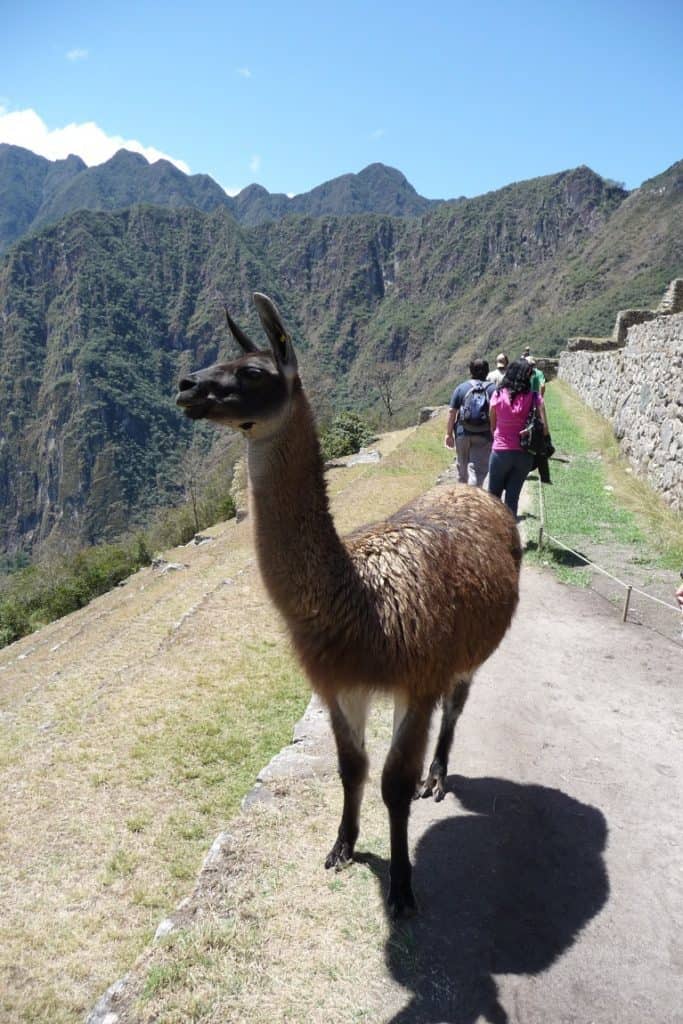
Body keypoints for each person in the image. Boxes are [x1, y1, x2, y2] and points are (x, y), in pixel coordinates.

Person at [487, 359, 550, 518]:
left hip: (501, 452)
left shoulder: (498, 394)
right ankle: (511, 537)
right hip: (524, 454)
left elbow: (493, 425)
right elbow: (544, 428)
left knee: (493, 497)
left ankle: (493, 534)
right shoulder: (535, 398)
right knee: (512, 498)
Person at [445, 358, 495, 487]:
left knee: (462, 469)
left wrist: (449, 434)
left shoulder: (461, 388)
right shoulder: (494, 390)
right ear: (487, 371)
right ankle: (473, 496)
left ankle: (462, 496)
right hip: (484, 434)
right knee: (478, 471)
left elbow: (452, 413)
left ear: (471, 371)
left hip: (462, 433)